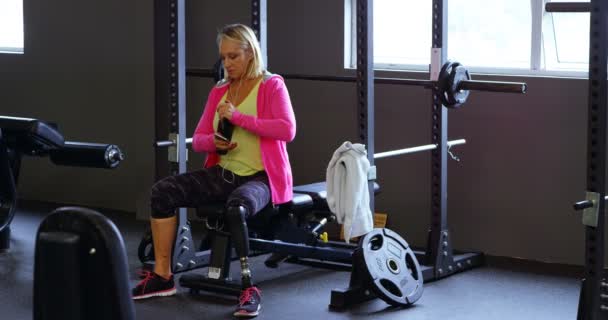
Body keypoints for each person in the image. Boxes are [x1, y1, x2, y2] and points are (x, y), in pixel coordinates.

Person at [132, 23, 296, 318]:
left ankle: (248, 287)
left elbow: (287, 129)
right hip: (224, 172)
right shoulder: (220, 89)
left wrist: (239, 117)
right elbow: (200, 139)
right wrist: (216, 144)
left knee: (237, 207)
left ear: (250, 53)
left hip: (261, 178)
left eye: (233, 56)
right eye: (223, 57)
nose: (227, 63)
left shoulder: (272, 85)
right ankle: (162, 276)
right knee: (162, 192)